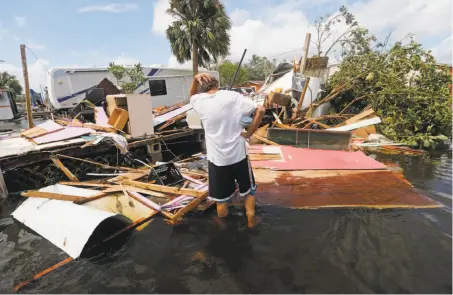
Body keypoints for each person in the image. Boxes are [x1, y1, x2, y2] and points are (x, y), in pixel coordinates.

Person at [189, 73, 265, 228]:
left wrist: (195, 78)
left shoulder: (200, 101)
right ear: (218, 84)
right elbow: (261, 110)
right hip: (239, 155)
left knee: (221, 198)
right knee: (248, 191)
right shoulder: (233, 96)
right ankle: (251, 220)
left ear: (202, 88)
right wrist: (249, 133)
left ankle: (223, 226)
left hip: (217, 159)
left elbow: (192, 96)